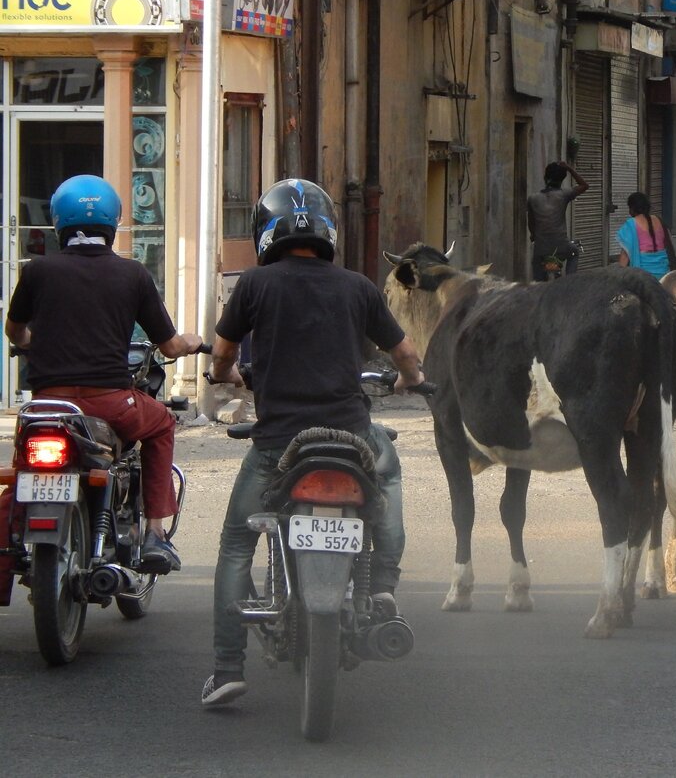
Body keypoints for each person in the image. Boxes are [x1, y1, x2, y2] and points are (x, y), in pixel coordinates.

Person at [201, 178, 424, 706]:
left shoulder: (254, 285)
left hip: (279, 444)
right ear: (328, 230)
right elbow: (406, 354)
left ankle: (228, 667)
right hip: (351, 437)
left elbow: (223, 353)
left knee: (237, 544)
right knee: (389, 473)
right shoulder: (358, 287)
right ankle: (382, 584)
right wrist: (410, 380)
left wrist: (227, 376)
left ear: (266, 232)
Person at [2, 174, 203, 576]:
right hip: (110, 404)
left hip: (48, 405)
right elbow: (169, 347)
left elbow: (15, 330)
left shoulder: (38, 270)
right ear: (113, 222)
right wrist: (192, 342)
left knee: (23, 466)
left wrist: (31, 341)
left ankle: (10, 544)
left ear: (59, 221)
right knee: (162, 423)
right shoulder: (133, 274)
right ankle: (155, 533)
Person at [528, 160, 589, 280]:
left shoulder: (532, 198)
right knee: (574, 252)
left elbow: (531, 223)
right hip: (561, 246)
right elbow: (584, 185)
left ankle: (539, 285)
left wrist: (533, 236)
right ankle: (569, 282)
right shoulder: (564, 194)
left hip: (541, 248)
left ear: (545, 178)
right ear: (561, 180)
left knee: (537, 274)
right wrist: (569, 168)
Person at [615, 192, 676, 280]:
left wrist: (618, 278)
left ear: (632, 208)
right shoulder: (659, 220)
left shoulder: (631, 224)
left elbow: (625, 256)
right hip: (664, 274)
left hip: (643, 278)